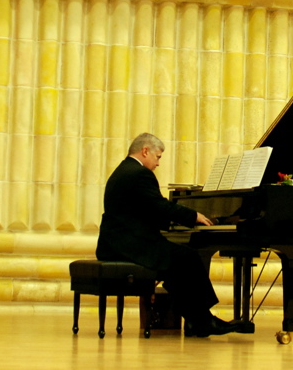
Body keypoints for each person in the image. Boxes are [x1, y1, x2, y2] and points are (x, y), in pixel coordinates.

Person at [96, 132, 238, 337]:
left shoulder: (124, 170)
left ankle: (197, 320)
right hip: (128, 245)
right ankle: (202, 320)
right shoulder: (139, 173)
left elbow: (145, 209)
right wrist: (193, 216)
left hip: (118, 243)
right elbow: (159, 206)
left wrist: (173, 222)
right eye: (158, 157)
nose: (158, 163)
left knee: (178, 263)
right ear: (145, 151)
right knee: (188, 257)